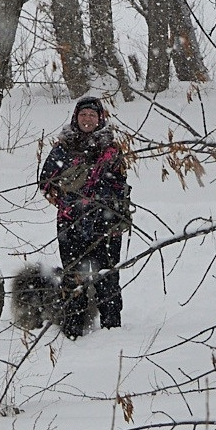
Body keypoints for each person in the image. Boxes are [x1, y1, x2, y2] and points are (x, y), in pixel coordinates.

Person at [38, 95, 131, 336]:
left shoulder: (110, 149)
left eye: (92, 115)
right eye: (83, 115)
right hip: (71, 224)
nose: (87, 119)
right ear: (75, 118)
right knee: (73, 276)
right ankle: (73, 327)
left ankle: (112, 328)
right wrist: (69, 201)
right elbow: (46, 181)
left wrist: (103, 202)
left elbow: (120, 184)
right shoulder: (63, 148)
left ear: (100, 119)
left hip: (106, 224)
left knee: (107, 276)